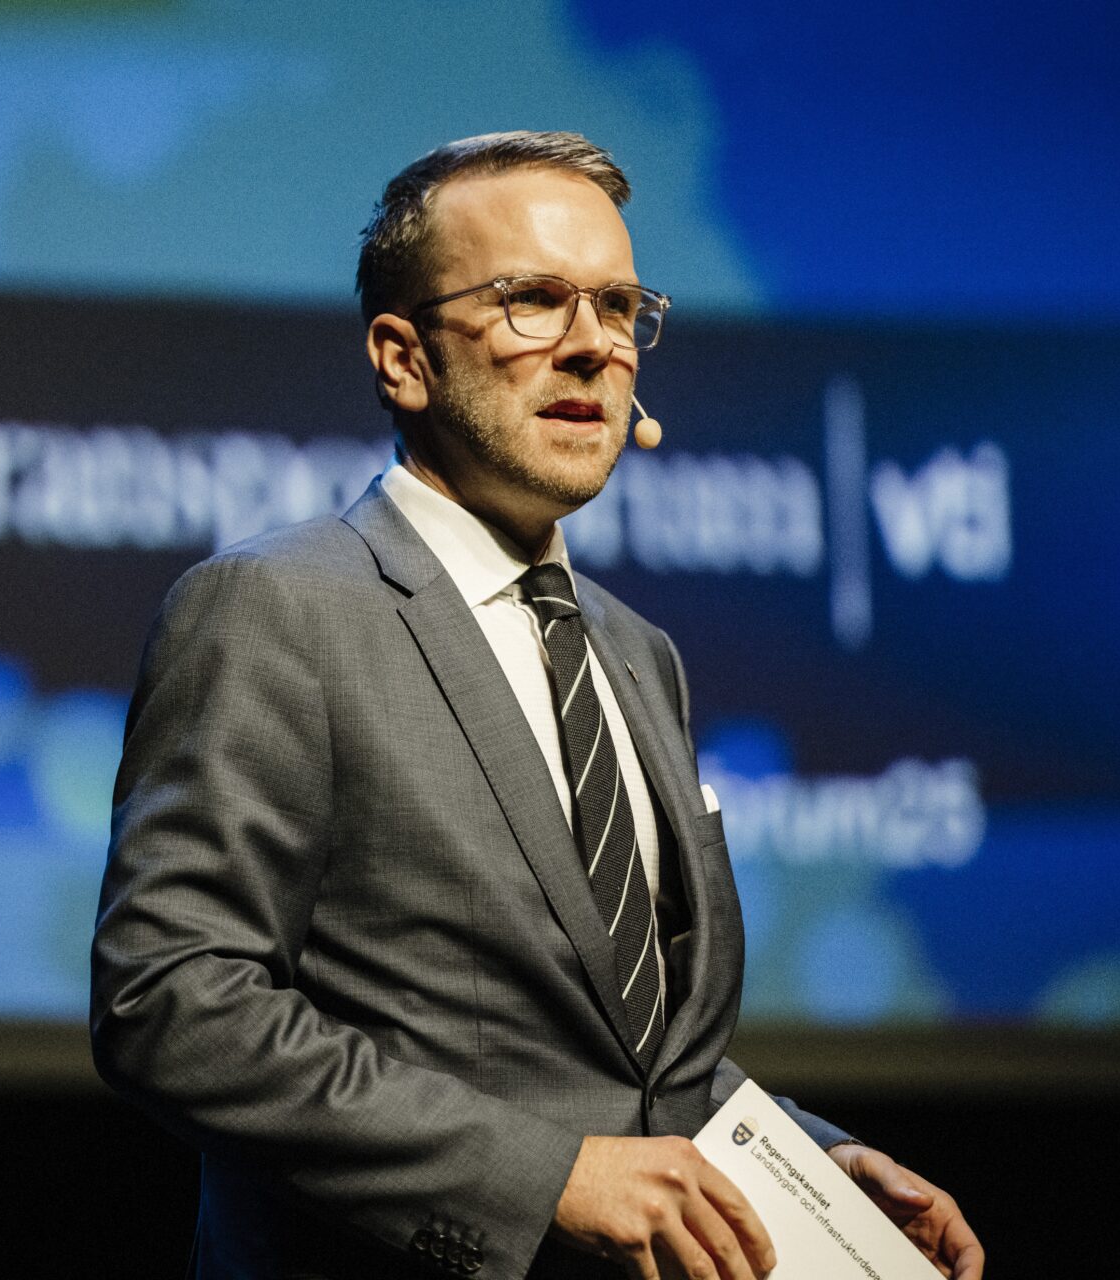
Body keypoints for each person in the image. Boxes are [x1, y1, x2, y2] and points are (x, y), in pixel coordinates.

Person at [91, 131, 983, 1280]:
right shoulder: (275, 608)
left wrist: (812, 1170)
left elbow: (639, 1062)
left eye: (618, 308)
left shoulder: (634, 651)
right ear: (402, 358)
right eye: (532, 301)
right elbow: (175, 1002)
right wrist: (541, 1175)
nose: (592, 347)